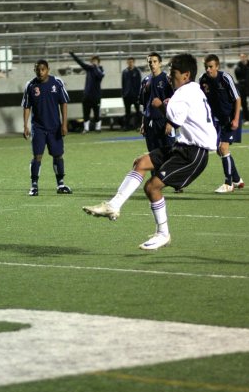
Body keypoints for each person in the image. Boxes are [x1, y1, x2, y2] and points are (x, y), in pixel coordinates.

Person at [82, 53, 218, 250]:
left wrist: (161, 105)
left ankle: (163, 234)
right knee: (141, 162)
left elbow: (174, 120)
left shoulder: (184, 93)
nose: (170, 77)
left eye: (174, 73)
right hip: (183, 146)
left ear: (186, 75)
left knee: (152, 187)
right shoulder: (194, 89)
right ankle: (114, 205)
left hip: (194, 153)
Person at [22, 59, 72, 196]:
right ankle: (34, 186)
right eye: (38, 69)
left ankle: (60, 184)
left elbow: (64, 103)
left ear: (48, 69)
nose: (40, 72)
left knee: (58, 155)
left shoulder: (57, 82)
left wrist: (64, 124)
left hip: (55, 127)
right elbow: (27, 106)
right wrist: (25, 125)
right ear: (34, 70)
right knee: (37, 156)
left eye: (43, 69)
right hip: (38, 127)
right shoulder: (31, 85)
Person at [199, 54, 244, 193]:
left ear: (217, 66)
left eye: (211, 67)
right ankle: (237, 179)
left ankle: (228, 183)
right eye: (206, 67)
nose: (208, 69)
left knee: (223, 148)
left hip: (230, 118)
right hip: (216, 120)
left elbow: (237, 99)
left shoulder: (225, 78)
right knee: (220, 150)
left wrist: (236, 119)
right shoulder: (203, 79)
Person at [139, 51, 174, 151]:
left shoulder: (167, 79)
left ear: (160, 63)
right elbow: (145, 104)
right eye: (150, 62)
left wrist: (170, 123)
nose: (152, 64)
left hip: (163, 121)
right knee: (153, 153)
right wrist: (143, 123)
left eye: (155, 61)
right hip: (149, 122)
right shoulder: (145, 81)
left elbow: (173, 103)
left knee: (169, 152)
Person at [69, 51, 105, 133]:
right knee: (86, 113)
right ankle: (86, 128)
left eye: (95, 60)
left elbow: (100, 76)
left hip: (96, 95)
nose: (94, 62)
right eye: (93, 61)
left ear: (98, 62)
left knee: (96, 113)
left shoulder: (101, 69)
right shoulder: (89, 68)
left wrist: (96, 67)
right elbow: (80, 63)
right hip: (87, 95)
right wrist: (73, 55)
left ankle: (98, 128)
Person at [121, 56, 142, 130]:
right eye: (129, 62)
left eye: (131, 62)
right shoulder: (125, 72)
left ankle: (139, 125)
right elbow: (123, 83)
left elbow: (139, 84)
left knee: (138, 111)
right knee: (127, 112)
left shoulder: (137, 71)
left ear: (134, 62)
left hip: (135, 95)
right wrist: (123, 94)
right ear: (127, 63)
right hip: (127, 95)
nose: (130, 63)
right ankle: (127, 126)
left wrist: (139, 94)